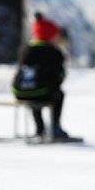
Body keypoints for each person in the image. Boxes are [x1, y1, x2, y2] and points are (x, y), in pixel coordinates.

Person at [12, 12, 72, 141]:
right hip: (40, 91)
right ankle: (55, 128)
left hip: (20, 91)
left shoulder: (26, 49)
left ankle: (40, 128)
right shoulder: (54, 52)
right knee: (56, 93)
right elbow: (58, 77)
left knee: (34, 90)